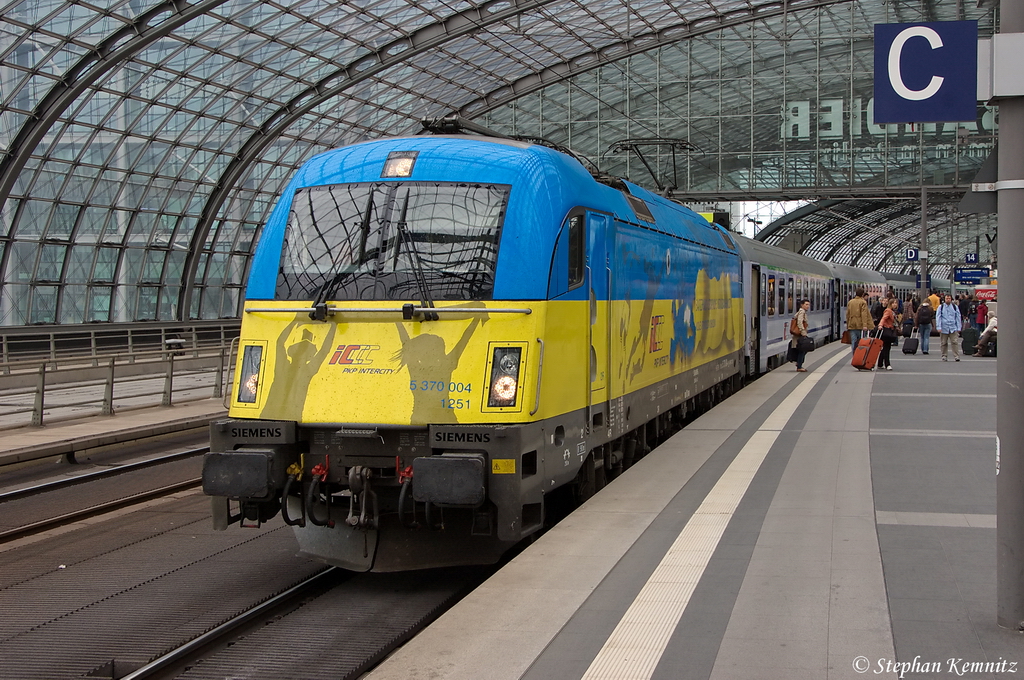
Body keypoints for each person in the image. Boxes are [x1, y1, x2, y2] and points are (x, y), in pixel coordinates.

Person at [936, 293, 963, 362]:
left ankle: (956, 356)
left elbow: (958, 317)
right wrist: (938, 327)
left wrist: (959, 327)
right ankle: (944, 355)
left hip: (953, 327)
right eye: (946, 298)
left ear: (951, 299)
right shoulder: (941, 307)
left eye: (949, 298)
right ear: (944, 299)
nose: (948, 300)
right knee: (943, 343)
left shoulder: (955, 307)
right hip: (944, 327)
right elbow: (938, 317)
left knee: (954, 342)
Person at [846, 287, 873, 354]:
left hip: (852, 324)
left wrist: (847, 324)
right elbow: (864, 314)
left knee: (853, 341)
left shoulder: (850, 302)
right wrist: (865, 325)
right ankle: (859, 355)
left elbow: (848, 314)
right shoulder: (863, 302)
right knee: (860, 341)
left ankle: (854, 355)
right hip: (860, 325)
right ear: (863, 294)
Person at [876, 297, 899, 370]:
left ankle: (880, 363)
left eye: (896, 303)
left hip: (889, 330)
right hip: (886, 330)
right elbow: (884, 318)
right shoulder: (888, 311)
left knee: (885, 347)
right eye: (894, 303)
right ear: (890, 304)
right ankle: (887, 364)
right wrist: (880, 325)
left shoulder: (893, 311)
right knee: (887, 348)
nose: (895, 304)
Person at [791, 299, 810, 372]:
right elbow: (799, 322)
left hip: (799, 334)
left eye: (808, 304)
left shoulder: (801, 311)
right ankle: (799, 366)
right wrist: (803, 332)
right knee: (803, 349)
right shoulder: (802, 312)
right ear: (802, 305)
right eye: (806, 304)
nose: (808, 306)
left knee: (802, 349)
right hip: (800, 334)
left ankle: (798, 363)